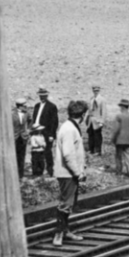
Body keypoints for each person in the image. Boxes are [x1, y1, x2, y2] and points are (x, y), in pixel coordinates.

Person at [52, 100, 88, 246]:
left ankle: (65, 231)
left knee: (69, 203)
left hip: (69, 172)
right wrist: (78, 172)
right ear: (83, 114)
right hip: (67, 173)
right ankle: (58, 234)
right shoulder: (69, 129)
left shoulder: (70, 126)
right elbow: (68, 154)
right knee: (66, 204)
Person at [31, 87, 59, 177]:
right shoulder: (36, 106)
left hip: (47, 133)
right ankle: (37, 171)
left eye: (43, 96)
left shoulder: (52, 106)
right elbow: (34, 118)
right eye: (40, 96)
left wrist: (51, 134)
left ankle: (50, 170)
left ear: (47, 96)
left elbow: (54, 122)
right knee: (36, 152)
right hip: (37, 132)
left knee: (47, 152)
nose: (42, 97)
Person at [112, 98, 129, 176]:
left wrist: (113, 138)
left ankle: (118, 171)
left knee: (118, 156)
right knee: (128, 156)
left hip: (119, 139)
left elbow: (116, 129)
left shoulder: (118, 116)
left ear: (122, 107)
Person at [13, 97, 31, 179]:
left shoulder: (27, 113)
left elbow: (31, 121)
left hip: (23, 137)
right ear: (19, 106)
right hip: (15, 137)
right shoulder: (12, 113)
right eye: (24, 106)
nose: (26, 107)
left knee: (22, 155)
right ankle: (15, 173)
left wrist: (28, 131)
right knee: (15, 155)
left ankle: (21, 174)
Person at [86, 85, 106, 156]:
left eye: (97, 90)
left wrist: (102, 122)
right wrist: (87, 119)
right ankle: (91, 149)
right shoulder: (91, 99)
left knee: (97, 136)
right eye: (94, 90)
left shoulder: (102, 100)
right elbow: (89, 110)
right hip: (91, 120)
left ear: (99, 90)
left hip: (97, 121)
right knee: (90, 135)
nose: (96, 92)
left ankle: (98, 151)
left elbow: (103, 112)